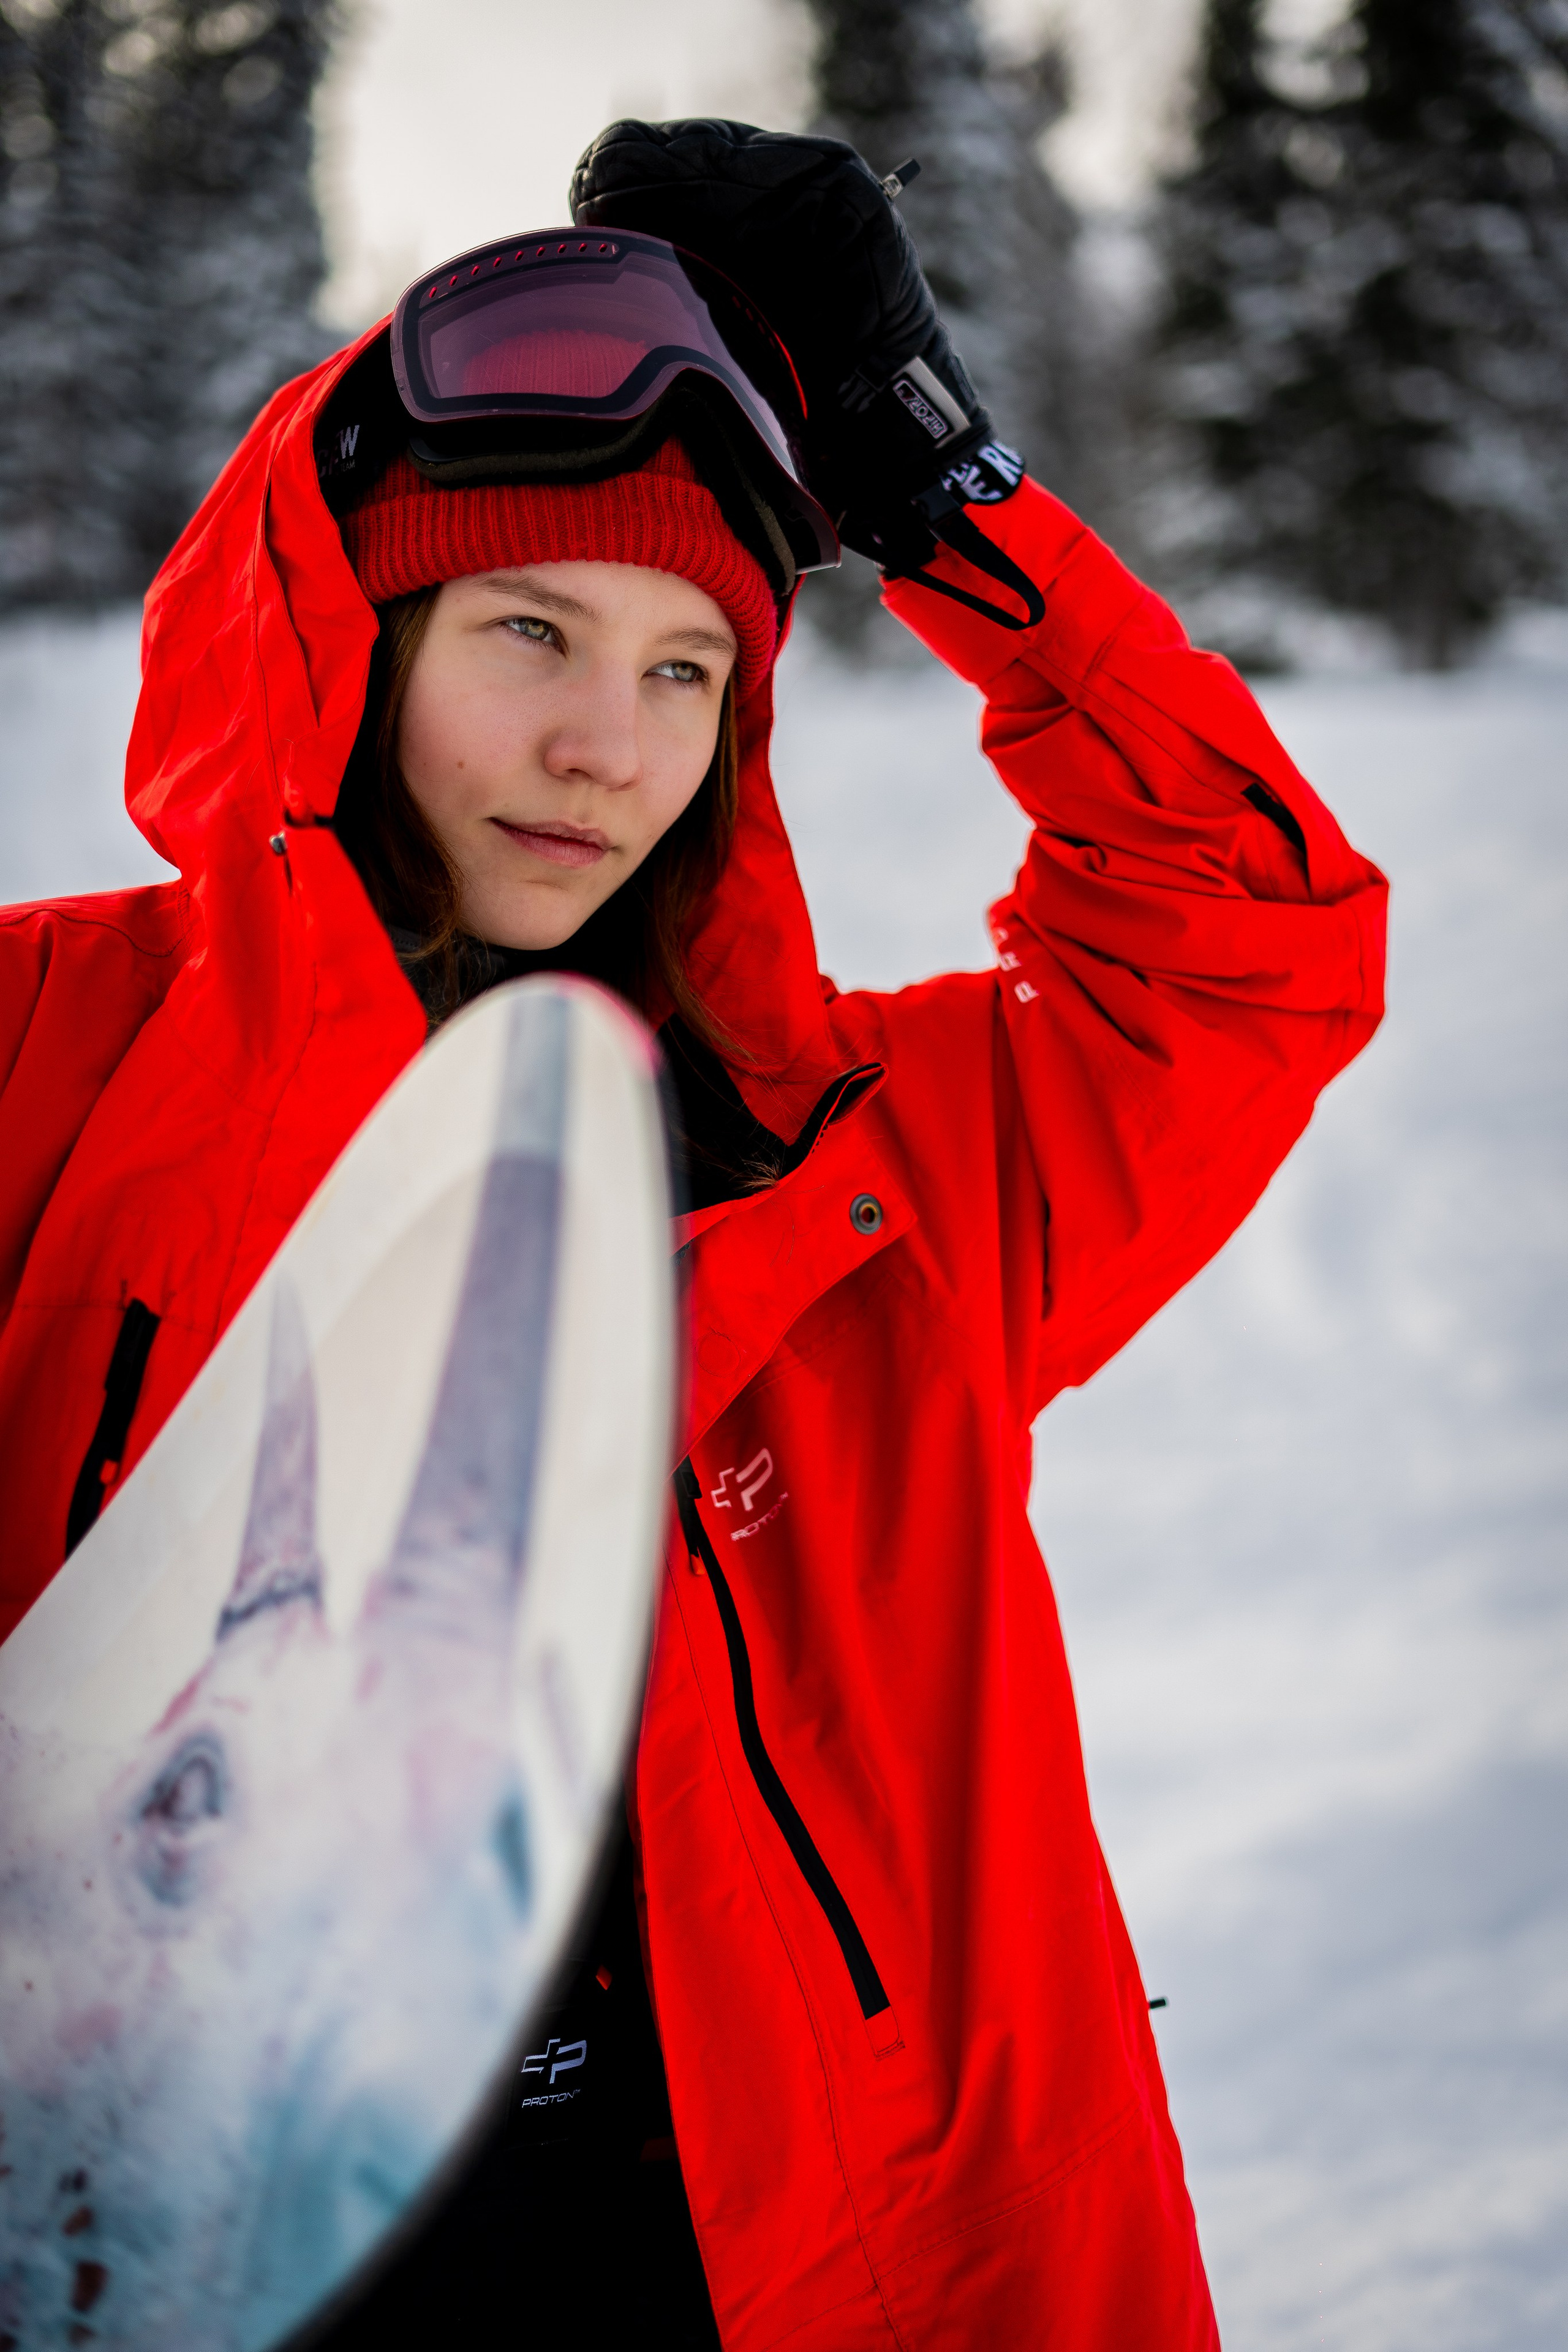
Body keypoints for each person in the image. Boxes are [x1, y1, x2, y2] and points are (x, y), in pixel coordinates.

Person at [0, 123, 1387, 2348]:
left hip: (832, 2274)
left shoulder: (868, 1166)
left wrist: (949, 491)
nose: (604, 746)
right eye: (528, 629)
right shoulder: (48, 1063)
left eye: (685, 671)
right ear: (346, 634)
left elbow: (1254, 945)